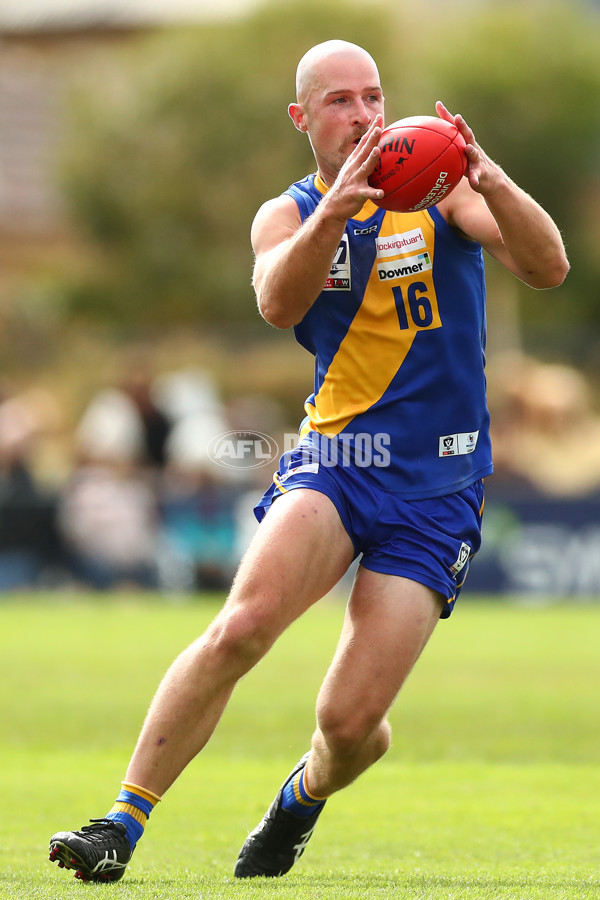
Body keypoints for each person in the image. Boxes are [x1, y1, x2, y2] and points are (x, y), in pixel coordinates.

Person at [48, 39, 569, 882]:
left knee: (350, 724)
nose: (363, 115)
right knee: (243, 625)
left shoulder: (445, 193)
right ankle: (120, 823)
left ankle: (300, 799)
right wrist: (338, 211)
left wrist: (490, 176)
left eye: (373, 97)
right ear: (303, 118)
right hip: (339, 457)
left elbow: (549, 268)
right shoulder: (286, 215)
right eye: (339, 102)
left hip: (440, 485)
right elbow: (277, 300)